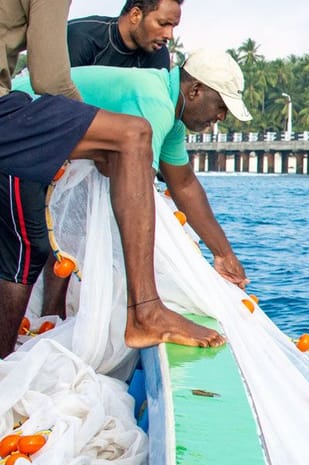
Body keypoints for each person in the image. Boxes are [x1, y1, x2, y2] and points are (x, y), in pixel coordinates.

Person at [0, 0, 222, 355]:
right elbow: (49, 79)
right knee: (133, 136)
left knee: (25, 248)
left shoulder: (156, 66)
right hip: (15, 106)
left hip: (15, 109)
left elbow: (182, 181)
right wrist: (99, 136)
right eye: (163, 24)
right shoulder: (86, 36)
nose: (168, 35)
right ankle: (145, 311)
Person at [10, 48, 251, 329]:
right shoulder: (154, 102)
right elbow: (135, 192)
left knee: (59, 236)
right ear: (195, 90)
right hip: (17, 124)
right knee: (26, 251)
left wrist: (223, 254)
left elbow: (184, 184)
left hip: (41, 149)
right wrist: (146, 302)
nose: (222, 116)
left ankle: (50, 318)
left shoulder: (171, 115)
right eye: (221, 106)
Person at [67, 0, 181, 71]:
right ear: (135, 15)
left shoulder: (158, 55)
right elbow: (58, 99)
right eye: (162, 24)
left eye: (173, 26)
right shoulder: (81, 36)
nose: (169, 35)